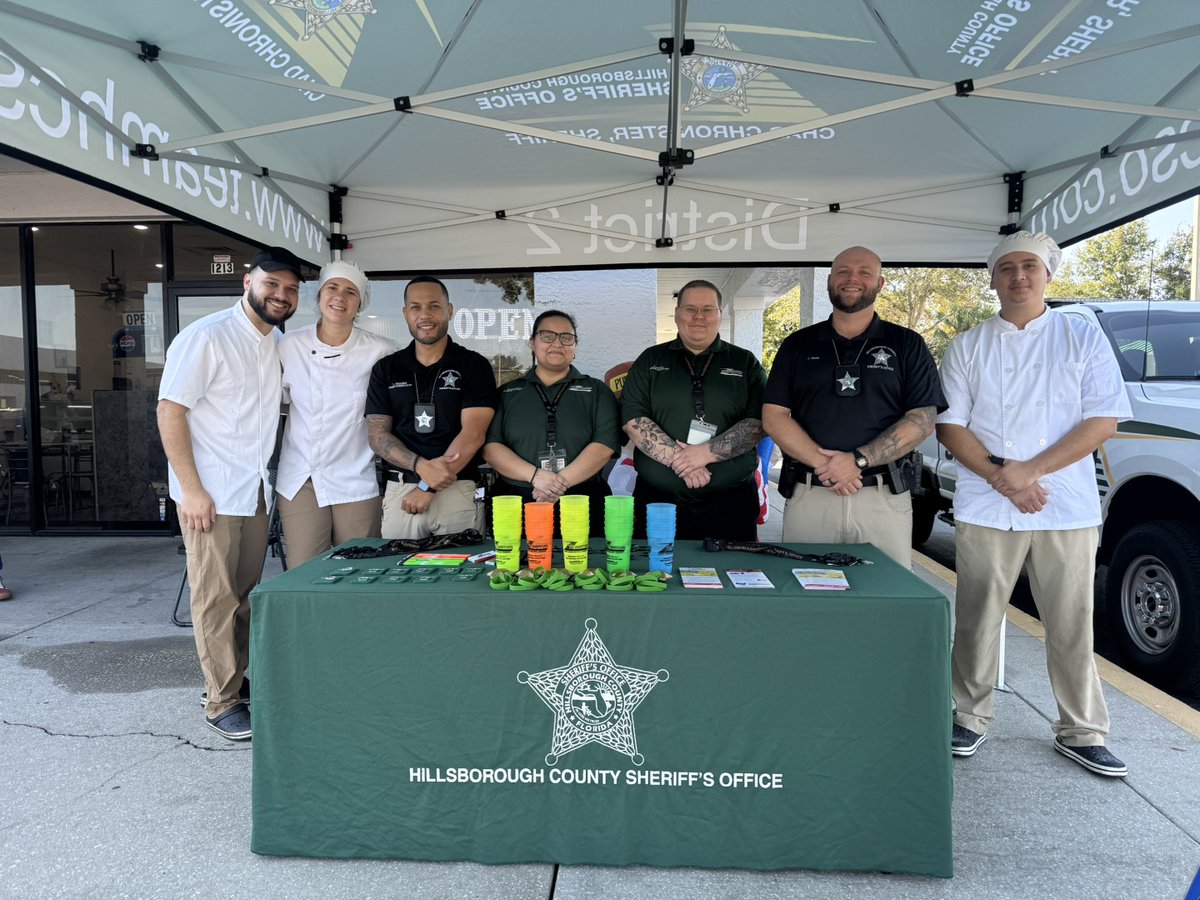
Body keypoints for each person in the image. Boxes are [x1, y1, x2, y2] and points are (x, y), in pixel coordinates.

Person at [938, 231, 1132, 777]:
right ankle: (969, 714)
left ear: (1048, 274)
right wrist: (1006, 478)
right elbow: (950, 426)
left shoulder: (1081, 335)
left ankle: (1082, 729)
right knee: (977, 618)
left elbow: (1103, 420)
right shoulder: (969, 345)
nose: (1018, 276)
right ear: (992, 279)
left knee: (1072, 621)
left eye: (1029, 266)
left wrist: (1031, 471)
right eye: (1007, 268)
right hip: (987, 502)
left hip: (1064, 503)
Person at [157, 245, 304, 741]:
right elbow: (170, 411)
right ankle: (220, 700)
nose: (281, 295)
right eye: (272, 284)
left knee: (242, 596)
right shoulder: (207, 336)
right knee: (214, 597)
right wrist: (191, 490)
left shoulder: (274, 341)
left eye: (290, 289)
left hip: (255, 489)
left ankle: (236, 681)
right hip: (212, 494)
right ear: (248, 282)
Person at [762, 246, 945, 568]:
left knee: (884, 591)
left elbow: (922, 419)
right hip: (812, 494)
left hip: (883, 498)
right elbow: (774, 416)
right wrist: (828, 466)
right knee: (805, 589)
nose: (852, 279)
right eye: (843, 272)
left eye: (864, 272)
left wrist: (858, 460)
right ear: (830, 280)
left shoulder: (907, 344)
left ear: (880, 283)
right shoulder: (797, 345)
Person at [621, 279, 767, 540]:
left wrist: (705, 453)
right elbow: (633, 419)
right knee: (657, 566)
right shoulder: (650, 360)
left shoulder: (744, 362)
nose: (699, 316)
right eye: (690, 309)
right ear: (677, 314)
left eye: (708, 309)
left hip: (731, 503)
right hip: (659, 502)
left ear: (720, 314)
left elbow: (760, 422)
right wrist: (685, 462)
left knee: (734, 566)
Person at [275, 261, 396, 565]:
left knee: (360, 571)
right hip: (301, 477)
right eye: (332, 287)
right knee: (305, 571)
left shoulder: (381, 350)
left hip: (355, 477)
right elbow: (278, 402)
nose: (340, 297)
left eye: (350, 292)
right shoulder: (289, 345)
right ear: (319, 295)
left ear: (360, 304)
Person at [365, 276, 496, 538]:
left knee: (461, 565)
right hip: (402, 490)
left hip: (457, 489)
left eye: (434, 306)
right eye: (416, 307)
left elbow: (473, 434)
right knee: (397, 564)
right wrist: (419, 466)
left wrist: (427, 486)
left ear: (449, 310)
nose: (425, 315)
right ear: (405, 314)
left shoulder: (473, 365)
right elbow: (377, 435)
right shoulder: (386, 368)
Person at [483, 310, 622, 536]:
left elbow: (604, 446)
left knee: (585, 559)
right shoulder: (507, 393)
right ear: (532, 343)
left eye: (566, 337)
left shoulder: (597, 391)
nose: (557, 343)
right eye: (547, 336)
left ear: (575, 346)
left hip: (583, 502)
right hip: (517, 503)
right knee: (519, 559)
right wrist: (536, 476)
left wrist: (557, 484)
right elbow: (491, 448)